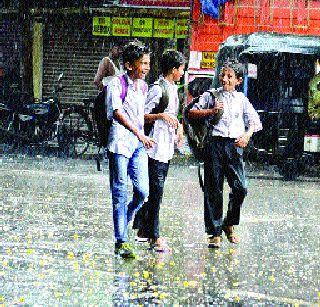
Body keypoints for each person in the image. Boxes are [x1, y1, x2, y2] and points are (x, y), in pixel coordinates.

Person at [188, 61, 262, 248]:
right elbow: (191, 113)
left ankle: (229, 223)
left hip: (234, 146)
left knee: (240, 188)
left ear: (238, 80)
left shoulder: (241, 99)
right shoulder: (211, 95)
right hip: (214, 145)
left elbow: (254, 121)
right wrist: (211, 111)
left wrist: (246, 135)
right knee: (213, 189)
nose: (225, 79)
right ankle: (214, 232)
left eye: (230, 76)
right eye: (223, 75)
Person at [106, 42, 155, 259]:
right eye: (142, 63)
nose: (146, 68)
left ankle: (125, 219)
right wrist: (138, 133)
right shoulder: (116, 84)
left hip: (138, 144)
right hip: (119, 143)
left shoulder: (143, 87)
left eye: (148, 63)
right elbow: (116, 112)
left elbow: (141, 115)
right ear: (128, 65)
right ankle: (121, 241)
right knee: (119, 191)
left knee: (143, 191)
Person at [133, 50, 185, 252]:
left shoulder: (173, 88)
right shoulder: (158, 89)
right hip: (153, 148)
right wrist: (161, 116)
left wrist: (179, 127)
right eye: (181, 68)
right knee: (156, 192)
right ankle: (154, 236)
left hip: (166, 148)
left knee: (156, 192)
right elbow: (142, 116)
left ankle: (142, 230)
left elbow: (173, 115)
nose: (182, 72)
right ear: (173, 69)